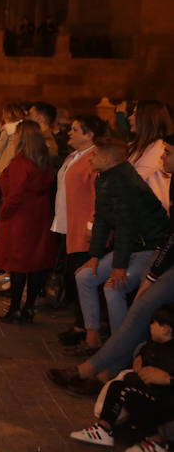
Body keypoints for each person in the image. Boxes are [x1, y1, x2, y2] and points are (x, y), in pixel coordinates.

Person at [75, 139, 169, 350]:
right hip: (132, 247)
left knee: (113, 288)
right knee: (84, 276)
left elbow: (126, 227)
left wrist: (119, 267)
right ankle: (93, 337)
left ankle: (119, 347)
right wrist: (94, 256)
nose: (91, 157)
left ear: (108, 159)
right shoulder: (106, 177)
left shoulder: (123, 182)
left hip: (149, 249)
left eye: (95, 154)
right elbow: (102, 219)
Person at [69, 304, 174, 451]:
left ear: (166, 328)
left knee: (129, 392)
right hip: (149, 392)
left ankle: (156, 442)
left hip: (166, 400)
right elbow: (144, 352)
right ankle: (103, 428)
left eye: (154, 323)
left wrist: (166, 379)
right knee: (117, 386)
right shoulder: (154, 343)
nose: (150, 326)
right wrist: (138, 359)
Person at [0, 121, 56, 323]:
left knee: (19, 263)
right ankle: (29, 307)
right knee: (35, 263)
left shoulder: (21, 163)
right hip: (39, 215)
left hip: (20, 218)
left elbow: (15, 194)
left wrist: (4, 213)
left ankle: (15, 308)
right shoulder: (43, 162)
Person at [53, 115, 104, 347]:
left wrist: (92, 228)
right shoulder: (74, 156)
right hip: (69, 223)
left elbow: (97, 197)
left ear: (89, 134)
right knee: (73, 275)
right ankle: (80, 323)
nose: (69, 133)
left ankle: (85, 327)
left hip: (84, 227)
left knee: (82, 277)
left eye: (75, 129)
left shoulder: (95, 159)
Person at [127, 100, 172, 212]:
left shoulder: (159, 148)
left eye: (135, 114)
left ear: (148, 119)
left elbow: (132, 179)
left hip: (151, 218)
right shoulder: (135, 146)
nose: (129, 118)